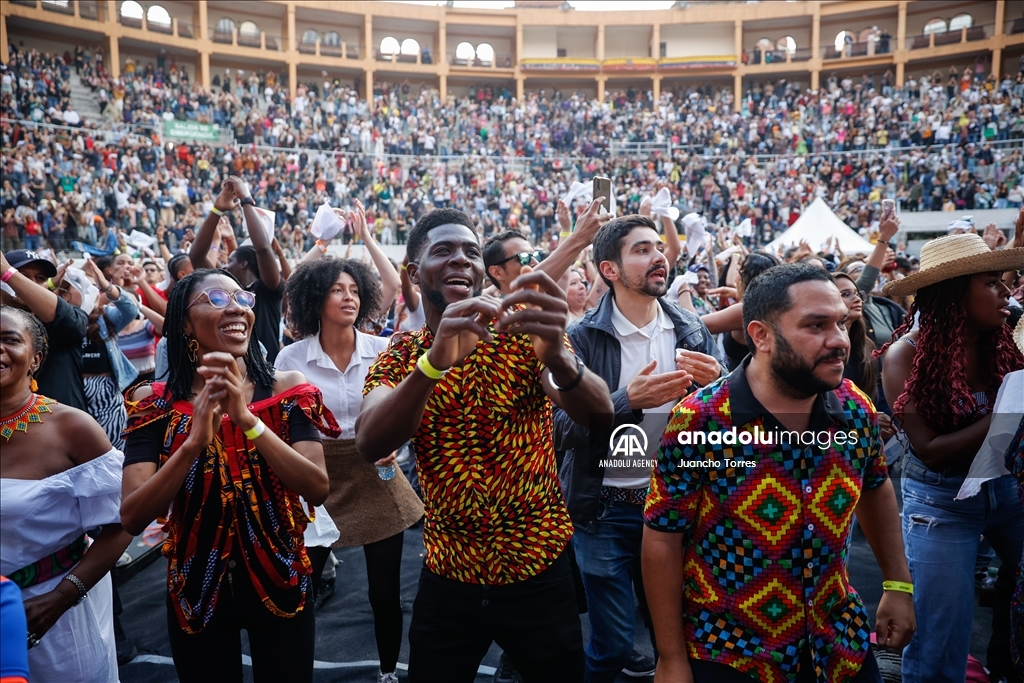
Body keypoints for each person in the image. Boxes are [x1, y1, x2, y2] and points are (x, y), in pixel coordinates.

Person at [356, 207, 614, 682]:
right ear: (413, 272)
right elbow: (371, 441)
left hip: (538, 565)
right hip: (450, 572)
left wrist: (557, 355)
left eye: (471, 253)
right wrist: (432, 366)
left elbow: (599, 415)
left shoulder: (518, 337)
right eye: (444, 251)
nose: (461, 260)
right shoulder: (401, 354)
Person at [645, 263, 916, 683]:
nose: (839, 340)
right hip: (731, 653)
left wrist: (898, 585)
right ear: (761, 336)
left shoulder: (855, 407)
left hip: (838, 644)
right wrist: (670, 658)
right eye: (816, 325)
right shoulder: (701, 421)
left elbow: (875, 487)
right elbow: (663, 539)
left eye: (841, 323)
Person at [119, 269, 340, 683]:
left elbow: (316, 487)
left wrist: (247, 420)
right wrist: (192, 445)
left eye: (242, 298)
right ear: (183, 321)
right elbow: (132, 515)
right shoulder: (154, 405)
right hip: (196, 585)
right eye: (217, 298)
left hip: (282, 577)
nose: (237, 307)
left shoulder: (288, 388)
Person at [554, 214, 723, 682]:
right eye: (642, 250)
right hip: (604, 512)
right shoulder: (582, 338)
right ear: (609, 269)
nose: (658, 257)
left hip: (677, 506)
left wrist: (721, 387)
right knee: (611, 646)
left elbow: (723, 421)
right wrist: (628, 400)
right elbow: (560, 430)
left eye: (659, 248)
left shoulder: (690, 328)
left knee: (682, 637)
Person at [879, 232, 1024, 683]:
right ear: (955, 293)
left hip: (1008, 489)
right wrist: (1008, 410)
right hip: (942, 504)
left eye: (1005, 282)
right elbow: (930, 450)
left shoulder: (1005, 343)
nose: (1005, 292)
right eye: (991, 283)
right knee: (940, 642)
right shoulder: (904, 356)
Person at [275, 257, 423, 683]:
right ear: (314, 299)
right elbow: (280, 423)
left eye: (355, 290)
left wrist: (395, 444)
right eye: (338, 290)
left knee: (385, 593)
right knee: (300, 589)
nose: (349, 297)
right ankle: (291, 670)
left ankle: (389, 672)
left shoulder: (384, 350)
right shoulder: (292, 358)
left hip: (376, 472)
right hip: (315, 478)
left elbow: (408, 409)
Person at [0, 305, 132, 683]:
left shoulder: (72, 428)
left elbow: (123, 522)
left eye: (10, 340)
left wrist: (61, 597)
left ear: (36, 358)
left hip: (58, 618)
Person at [190, 177, 284, 362]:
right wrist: (216, 210)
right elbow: (197, 257)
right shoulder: (225, 289)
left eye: (230, 260)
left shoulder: (268, 291)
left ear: (244, 264)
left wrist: (246, 200)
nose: (224, 265)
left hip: (266, 375)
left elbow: (263, 249)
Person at [1, 250, 88, 410]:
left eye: (40, 278)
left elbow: (74, 326)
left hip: (61, 428)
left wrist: (8, 273)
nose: (32, 283)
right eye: (23, 275)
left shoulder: (71, 317)